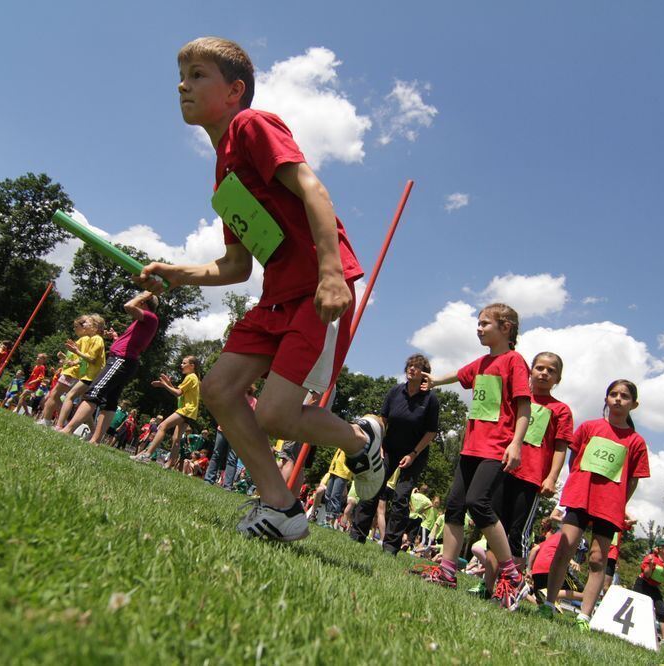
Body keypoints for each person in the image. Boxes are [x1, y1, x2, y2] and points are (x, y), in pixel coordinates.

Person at [135, 37, 383, 541]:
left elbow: (313, 189)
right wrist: (176, 273)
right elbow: (234, 265)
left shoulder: (252, 125)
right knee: (219, 390)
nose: (183, 84)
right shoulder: (222, 177)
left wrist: (333, 274)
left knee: (275, 414)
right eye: (181, 76)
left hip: (317, 289)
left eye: (198, 74)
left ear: (234, 91)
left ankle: (361, 440)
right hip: (273, 297)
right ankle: (281, 507)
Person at [411, 303, 531, 609]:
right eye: (478, 323)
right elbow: (460, 374)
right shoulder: (482, 363)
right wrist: (435, 381)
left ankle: (513, 577)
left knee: (478, 503)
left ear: (506, 328)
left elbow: (523, 407)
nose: (478, 328)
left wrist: (516, 444)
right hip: (471, 447)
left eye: (485, 324)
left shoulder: (514, 361)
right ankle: (448, 571)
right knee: (454, 505)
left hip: (496, 447)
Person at [540, 379, 650, 633]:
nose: (618, 399)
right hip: (580, 497)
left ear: (634, 404)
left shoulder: (636, 442)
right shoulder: (589, 427)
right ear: (606, 399)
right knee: (564, 548)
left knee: (598, 560)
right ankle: (547, 602)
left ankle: (585, 616)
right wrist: (578, 482)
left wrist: (620, 503)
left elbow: (633, 479)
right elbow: (574, 458)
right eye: (613, 394)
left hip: (609, 506)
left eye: (624, 396)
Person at [480, 351, 573, 602]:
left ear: (558, 378)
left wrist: (551, 478)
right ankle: (487, 586)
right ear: (530, 371)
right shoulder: (516, 398)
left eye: (550, 370)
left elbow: (560, 447)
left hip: (531, 478)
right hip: (502, 468)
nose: (544, 373)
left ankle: (509, 590)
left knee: (517, 534)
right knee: (493, 528)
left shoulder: (561, 410)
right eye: (539, 368)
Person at [349, 354, 440, 555]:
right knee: (373, 488)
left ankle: (390, 546)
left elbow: (431, 431)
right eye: (409, 365)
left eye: (416, 367)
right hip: (389, 449)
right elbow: (383, 418)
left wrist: (414, 454)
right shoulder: (395, 392)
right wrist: (379, 444)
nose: (411, 369)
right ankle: (357, 534)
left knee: (400, 497)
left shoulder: (430, 399)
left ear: (424, 374)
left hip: (414, 453)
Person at [60, 292, 159, 445]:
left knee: (93, 393)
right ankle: (95, 440)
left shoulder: (150, 317)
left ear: (144, 302)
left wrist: (145, 293)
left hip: (121, 360)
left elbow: (128, 306)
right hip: (124, 361)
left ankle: (68, 429)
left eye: (140, 299)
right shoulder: (142, 322)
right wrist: (115, 338)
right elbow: (131, 341)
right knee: (110, 401)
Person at [131, 355, 200, 465]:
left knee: (162, 426)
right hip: (191, 413)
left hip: (186, 410)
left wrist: (164, 385)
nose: (181, 365)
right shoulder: (194, 378)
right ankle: (169, 464)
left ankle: (147, 455)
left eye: (184, 363)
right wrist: (167, 384)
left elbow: (177, 393)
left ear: (192, 366)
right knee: (176, 438)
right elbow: (179, 393)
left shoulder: (190, 377)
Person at [37, 315, 96, 426]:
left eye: (76, 326)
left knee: (54, 394)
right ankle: (59, 420)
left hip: (72, 372)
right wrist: (65, 358)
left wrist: (73, 364)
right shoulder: (84, 340)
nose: (74, 329)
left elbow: (83, 358)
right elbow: (76, 358)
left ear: (83, 327)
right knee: (58, 396)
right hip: (74, 372)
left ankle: (47, 420)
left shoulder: (84, 339)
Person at [54, 314, 106, 429]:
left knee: (70, 396)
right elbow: (86, 358)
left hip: (92, 376)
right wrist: (73, 361)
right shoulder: (93, 339)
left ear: (95, 327)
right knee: (84, 403)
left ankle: (59, 425)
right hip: (89, 375)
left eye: (87, 323)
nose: (84, 325)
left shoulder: (97, 339)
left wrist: (76, 351)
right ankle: (92, 431)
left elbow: (91, 359)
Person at [206, 384, 257, 490]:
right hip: (223, 428)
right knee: (216, 454)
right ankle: (208, 479)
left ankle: (227, 486)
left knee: (232, 459)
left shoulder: (254, 401)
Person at [635, 538, 664, 648]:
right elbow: (646, 575)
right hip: (643, 584)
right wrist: (650, 565)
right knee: (638, 608)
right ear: (661, 549)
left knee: (662, 611)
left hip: (654, 587)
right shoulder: (651, 558)